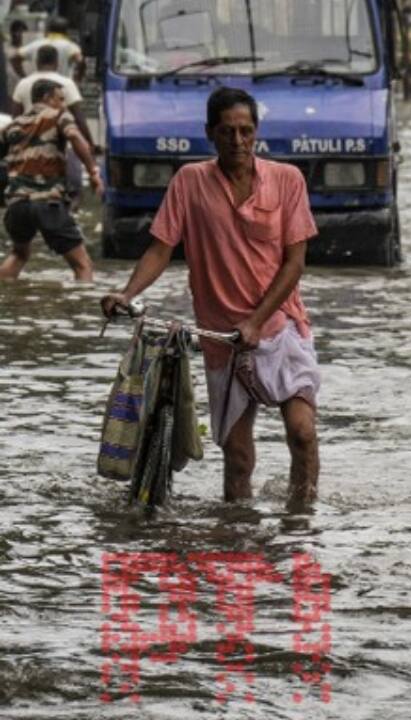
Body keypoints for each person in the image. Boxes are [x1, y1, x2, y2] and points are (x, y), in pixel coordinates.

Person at [99, 87, 322, 509]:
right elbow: (160, 249)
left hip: (281, 328)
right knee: (237, 459)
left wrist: (257, 321)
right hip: (222, 339)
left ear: (256, 133)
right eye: (227, 132)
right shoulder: (190, 182)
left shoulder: (287, 179)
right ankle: (238, 538)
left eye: (245, 132)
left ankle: (303, 519)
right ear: (210, 134)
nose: (237, 141)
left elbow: (295, 263)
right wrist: (127, 293)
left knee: (302, 431)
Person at [0, 80, 102, 281]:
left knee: (19, 254)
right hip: (47, 202)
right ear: (47, 98)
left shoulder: (14, 125)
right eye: (60, 99)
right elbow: (75, 137)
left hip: (16, 206)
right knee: (83, 265)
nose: (63, 104)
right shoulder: (59, 116)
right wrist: (93, 172)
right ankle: (80, 306)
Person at [12, 44, 93, 203]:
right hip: (60, 151)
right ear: (56, 62)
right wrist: (90, 144)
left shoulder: (23, 84)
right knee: (68, 196)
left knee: (29, 195)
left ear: (36, 62)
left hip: (27, 155)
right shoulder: (66, 84)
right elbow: (79, 117)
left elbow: (16, 118)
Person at [16, 16, 84, 83]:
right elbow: (80, 61)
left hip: (37, 88)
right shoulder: (70, 46)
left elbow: (14, 57)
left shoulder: (36, 44)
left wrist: (24, 77)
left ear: (48, 30)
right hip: (61, 87)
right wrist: (77, 80)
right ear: (66, 32)